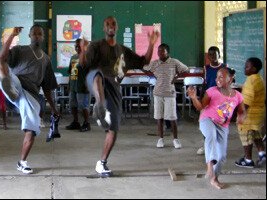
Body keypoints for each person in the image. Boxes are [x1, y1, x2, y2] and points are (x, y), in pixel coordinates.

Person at [79, 16, 159, 176]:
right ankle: (99, 104)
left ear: (117, 27)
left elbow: (144, 61)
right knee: (98, 75)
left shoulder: (123, 50)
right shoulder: (96, 45)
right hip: (95, 80)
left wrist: (151, 44)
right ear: (104, 28)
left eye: (113, 23)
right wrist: (82, 50)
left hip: (113, 88)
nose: (111, 26)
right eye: (107, 24)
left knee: (113, 129)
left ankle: (102, 163)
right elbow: (83, 64)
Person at [0, 25, 60, 174]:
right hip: (17, 84)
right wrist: (12, 35)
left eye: (40, 34)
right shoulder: (20, 50)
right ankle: (8, 87)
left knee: (32, 130)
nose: (37, 36)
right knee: (0, 62)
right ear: (30, 36)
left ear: (43, 37)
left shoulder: (46, 59)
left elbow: (46, 87)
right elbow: (2, 57)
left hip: (31, 96)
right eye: (34, 34)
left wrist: (53, 107)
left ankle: (22, 162)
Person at [187, 67, 245, 189]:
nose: (217, 79)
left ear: (230, 79)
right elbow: (200, 107)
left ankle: (214, 178)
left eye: (221, 77)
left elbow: (242, 111)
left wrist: (241, 117)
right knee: (211, 135)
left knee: (222, 157)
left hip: (223, 126)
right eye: (217, 77)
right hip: (207, 120)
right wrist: (194, 98)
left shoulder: (238, 96)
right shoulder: (211, 91)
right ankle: (209, 166)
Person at [143, 43, 188, 149]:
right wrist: (151, 74)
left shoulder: (174, 62)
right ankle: (160, 139)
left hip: (170, 93)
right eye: (158, 51)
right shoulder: (155, 63)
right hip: (158, 93)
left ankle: (175, 139)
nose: (160, 53)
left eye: (162, 51)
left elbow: (186, 70)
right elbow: (145, 68)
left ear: (168, 52)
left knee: (172, 117)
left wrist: (176, 77)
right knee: (159, 117)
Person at [235, 57, 266, 168]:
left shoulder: (250, 81)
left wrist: (239, 114)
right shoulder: (259, 79)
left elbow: (246, 102)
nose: (245, 68)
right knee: (256, 134)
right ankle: (262, 154)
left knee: (246, 136)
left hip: (249, 116)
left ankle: (248, 160)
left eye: (247, 66)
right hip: (258, 114)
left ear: (254, 68)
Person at [197, 46, 228, 155]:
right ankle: (206, 144)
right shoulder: (206, 68)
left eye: (215, 54)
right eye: (210, 55)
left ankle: (219, 146)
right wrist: (201, 100)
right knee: (206, 122)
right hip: (208, 99)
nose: (212, 56)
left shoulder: (225, 67)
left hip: (221, 100)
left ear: (219, 55)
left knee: (220, 123)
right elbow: (204, 84)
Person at [65, 38, 91, 132]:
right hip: (73, 86)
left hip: (83, 86)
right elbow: (70, 72)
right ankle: (76, 122)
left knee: (83, 106)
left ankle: (87, 123)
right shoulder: (73, 57)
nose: (77, 47)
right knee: (73, 105)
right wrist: (69, 84)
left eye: (79, 46)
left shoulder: (88, 57)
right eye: (75, 46)